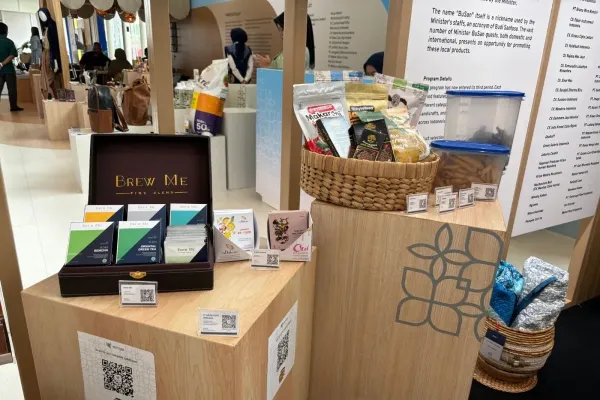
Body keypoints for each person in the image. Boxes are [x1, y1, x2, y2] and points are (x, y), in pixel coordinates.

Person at [0, 23, 23, 112]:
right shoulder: (9, 42)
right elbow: (12, 55)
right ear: (6, 32)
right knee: (12, 89)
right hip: (9, 70)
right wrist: (2, 64)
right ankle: (13, 107)